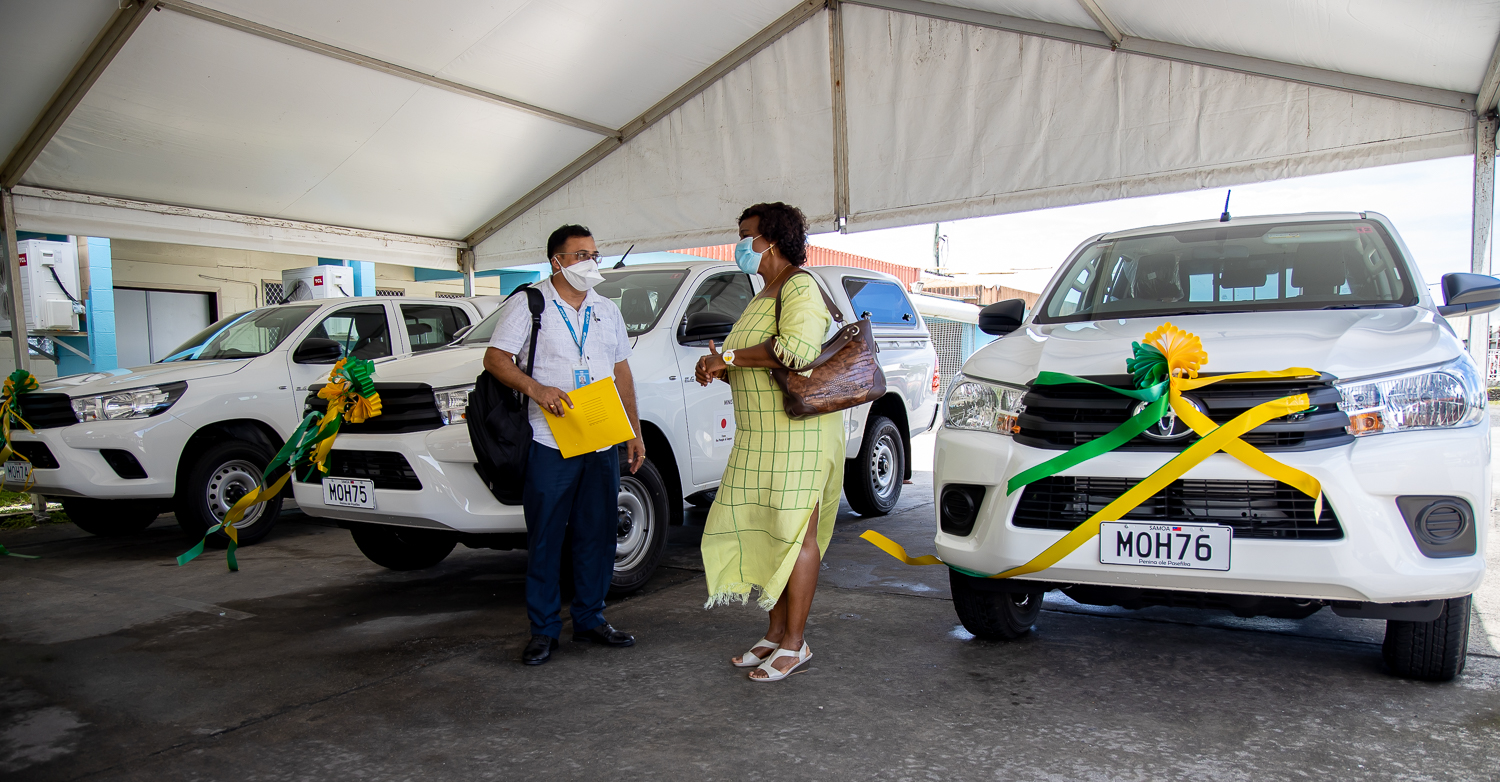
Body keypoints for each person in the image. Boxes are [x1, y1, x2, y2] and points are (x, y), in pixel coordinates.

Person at [484, 224, 647, 666]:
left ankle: (591, 619)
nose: (590, 262)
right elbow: (496, 359)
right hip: (548, 439)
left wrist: (634, 430)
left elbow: (622, 373)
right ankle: (543, 631)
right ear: (556, 261)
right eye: (580, 255)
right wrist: (538, 390)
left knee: (597, 533)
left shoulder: (606, 310)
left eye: (594, 253)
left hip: (599, 436)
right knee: (546, 537)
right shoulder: (530, 303)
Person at [695, 202, 843, 682]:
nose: (739, 244)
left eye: (745, 235)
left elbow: (796, 352)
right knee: (770, 531)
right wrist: (719, 369)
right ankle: (776, 631)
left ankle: (795, 643)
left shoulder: (800, 285)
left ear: (772, 240)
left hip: (797, 436)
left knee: (796, 534)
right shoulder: (764, 293)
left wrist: (731, 357)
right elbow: (757, 371)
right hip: (762, 437)